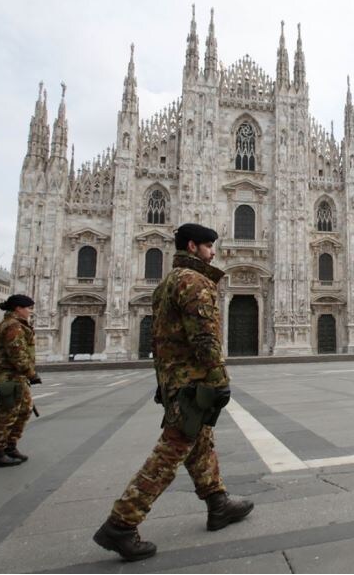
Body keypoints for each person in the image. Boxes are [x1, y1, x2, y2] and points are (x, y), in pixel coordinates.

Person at [93, 223, 253, 562]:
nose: (213, 252)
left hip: (174, 379)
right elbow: (204, 338)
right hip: (192, 382)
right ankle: (121, 523)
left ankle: (217, 503)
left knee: (201, 441)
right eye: (209, 246)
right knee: (173, 450)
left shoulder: (167, 282)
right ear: (193, 247)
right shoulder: (194, 282)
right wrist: (218, 378)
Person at [0, 294, 42, 468]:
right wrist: (31, 373)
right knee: (7, 414)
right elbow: (16, 353)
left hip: (17, 376)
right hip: (9, 376)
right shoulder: (13, 326)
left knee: (24, 410)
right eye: (28, 308)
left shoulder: (18, 324)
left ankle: (10, 447)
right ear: (18, 308)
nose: (30, 311)